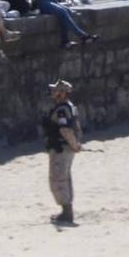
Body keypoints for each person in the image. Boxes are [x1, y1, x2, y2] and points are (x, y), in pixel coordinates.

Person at [42, 77, 84, 226]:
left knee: (58, 179)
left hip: (61, 149)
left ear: (62, 93)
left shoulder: (62, 109)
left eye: (56, 90)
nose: (53, 92)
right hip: (65, 148)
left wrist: (73, 144)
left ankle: (66, 212)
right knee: (64, 178)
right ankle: (66, 210)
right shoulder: (69, 107)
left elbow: (65, 129)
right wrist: (76, 144)